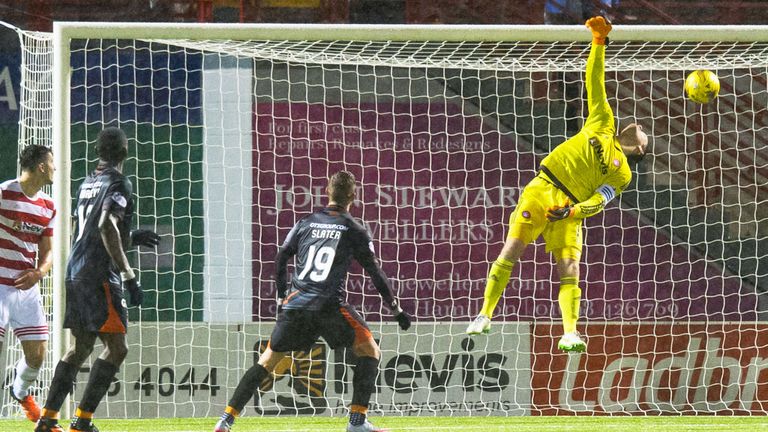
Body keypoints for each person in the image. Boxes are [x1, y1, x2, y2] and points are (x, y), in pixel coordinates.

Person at [466, 16, 648, 353]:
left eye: (644, 134)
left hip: (569, 208)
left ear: (639, 150)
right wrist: (598, 42)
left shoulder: (623, 174)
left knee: (570, 268)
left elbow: (600, 200)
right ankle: (483, 315)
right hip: (541, 188)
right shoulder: (603, 123)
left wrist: (573, 212)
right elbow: (594, 80)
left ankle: (570, 333)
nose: (639, 126)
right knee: (511, 250)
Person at [213, 170, 412, 432]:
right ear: (353, 196)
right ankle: (357, 422)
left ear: (327, 192)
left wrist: (282, 296)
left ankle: (226, 420)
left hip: (295, 306)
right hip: (329, 306)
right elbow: (375, 273)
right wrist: (396, 309)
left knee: (267, 361)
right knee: (370, 351)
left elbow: (281, 258)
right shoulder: (354, 229)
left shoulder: (305, 223)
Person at [34, 127, 160, 432]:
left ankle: (48, 419)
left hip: (75, 270)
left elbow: (93, 228)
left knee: (80, 347)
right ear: (125, 151)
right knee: (117, 348)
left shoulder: (87, 183)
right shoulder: (119, 182)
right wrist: (129, 275)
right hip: (99, 274)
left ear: (97, 152)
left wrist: (131, 236)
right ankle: (82, 421)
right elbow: (105, 226)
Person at [0, 145, 56, 423]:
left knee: (37, 356)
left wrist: (39, 273)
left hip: (26, 288)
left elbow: (48, 251)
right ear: (42, 166)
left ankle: (20, 392)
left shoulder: (48, 206)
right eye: (52, 163)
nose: (55, 168)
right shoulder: (3, 193)